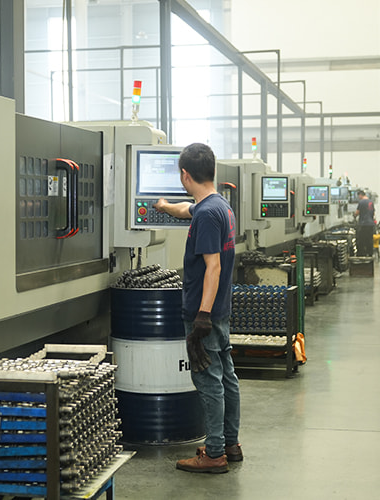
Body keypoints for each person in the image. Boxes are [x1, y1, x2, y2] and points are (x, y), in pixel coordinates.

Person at [153, 143, 241, 474]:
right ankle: (230, 444)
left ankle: (214, 453)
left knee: (208, 380)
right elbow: (185, 210)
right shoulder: (219, 206)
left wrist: (201, 317)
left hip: (205, 312)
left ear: (184, 175)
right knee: (227, 377)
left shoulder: (206, 215)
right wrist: (164, 206)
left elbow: (213, 267)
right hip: (221, 309)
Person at [354, 190, 375, 257]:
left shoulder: (361, 202)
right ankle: (370, 253)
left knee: (362, 240)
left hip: (363, 224)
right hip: (370, 224)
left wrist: (354, 215)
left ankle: (362, 254)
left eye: (358, 196)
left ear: (360, 195)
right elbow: (373, 213)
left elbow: (357, 212)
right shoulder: (371, 202)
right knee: (369, 239)